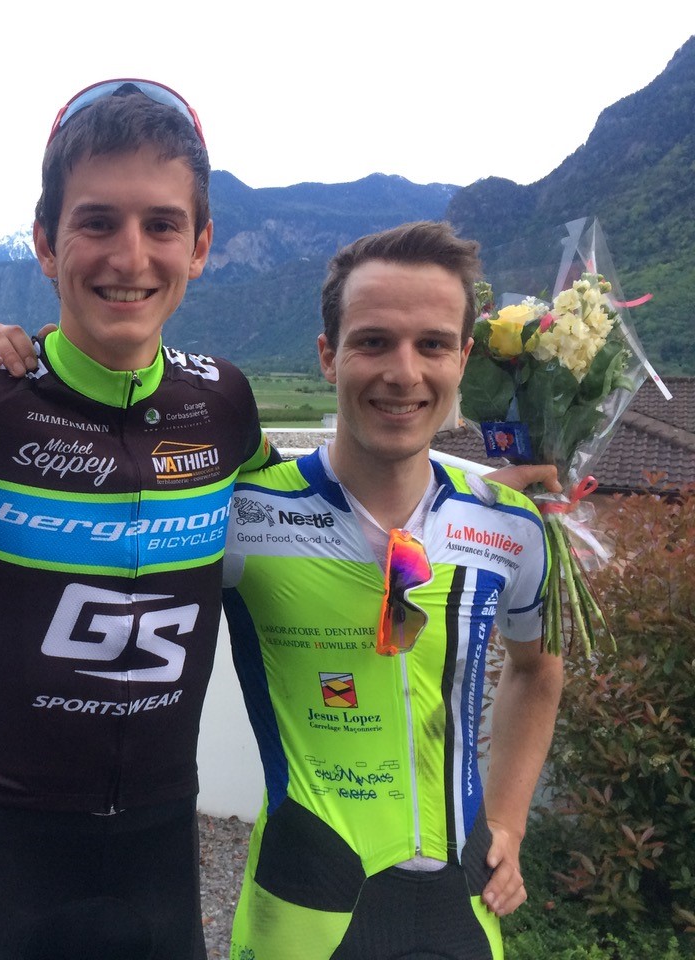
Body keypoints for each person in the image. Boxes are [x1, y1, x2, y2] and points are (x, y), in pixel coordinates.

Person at [0, 79, 272, 960]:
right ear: (44, 241)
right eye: (97, 222)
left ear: (200, 246)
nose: (130, 256)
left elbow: (306, 509)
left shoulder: (224, 401)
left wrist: (479, 488)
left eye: (162, 225)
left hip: (159, 865)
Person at [220, 221, 564, 959]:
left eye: (432, 344)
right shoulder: (242, 514)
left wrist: (509, 820)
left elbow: (538, 671)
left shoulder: (510, 525)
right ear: (328, 355)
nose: (404, 373)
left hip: (464, 904)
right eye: (373, 342)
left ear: (463, 359)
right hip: (304, 904)